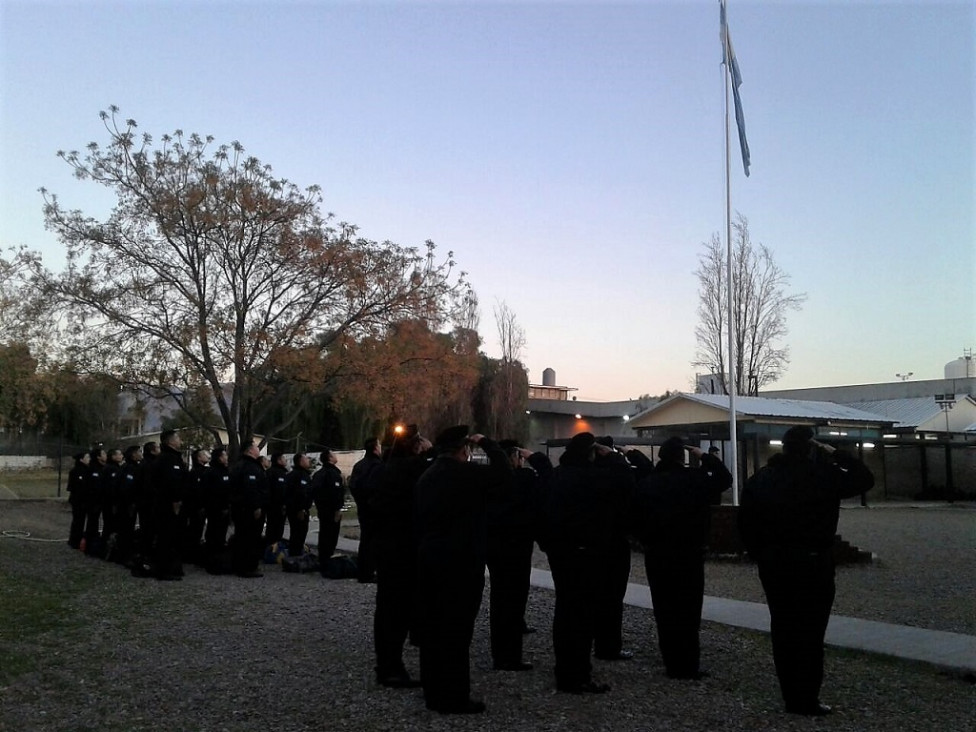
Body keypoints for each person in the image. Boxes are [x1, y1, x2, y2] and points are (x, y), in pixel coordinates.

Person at [739, 425, 874, 716]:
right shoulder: (823, 476)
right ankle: (807, 697)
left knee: (784, 628)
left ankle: (791, 694)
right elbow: (865, 478)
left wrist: (760, 555)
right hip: (813, 560)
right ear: (811, 447)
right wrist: (834, 451)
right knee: (811, 631)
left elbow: (746, 523)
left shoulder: (762, 479)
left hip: (775, 562)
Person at [414, 426, 512, 714]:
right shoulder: (465, 475)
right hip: (460, 561)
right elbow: (504, 475)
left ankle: (433, 691)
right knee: (456, 632)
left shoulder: (427, 477)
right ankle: (454, 695)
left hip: (431, 557)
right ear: (464, 449)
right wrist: (490, 445)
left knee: (434, 630)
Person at [631, 437, 732, 680]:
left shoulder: (648, 483)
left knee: (665, 610)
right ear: (681, 456)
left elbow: (634, 517)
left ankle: (671, 661)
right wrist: (704, 456)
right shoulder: (695, 480)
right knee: (688, 610)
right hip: (689, 552)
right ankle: (688, 663)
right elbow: (725, 479)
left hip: (657, 553)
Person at [543, 431, 634, 694]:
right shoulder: (592, 478)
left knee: (565, 613)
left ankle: (565, 670)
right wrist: (614, 456)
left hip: (561, 555)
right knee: (582, 617)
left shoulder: (558, 476)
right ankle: (578, 675)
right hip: (586, 554)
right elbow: (625, 481)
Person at [367, 424, 431, 689]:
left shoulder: (384, 470)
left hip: (386, 547)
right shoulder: (408, 469)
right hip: (402, 550)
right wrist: (430, 451)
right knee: (395, 610)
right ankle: (390, 667)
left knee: (387, 609)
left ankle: (387, 662)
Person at [486, 439, 551, 672]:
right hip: (518, 548)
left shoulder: (488, 480)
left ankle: (499, 652)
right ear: (514, 457)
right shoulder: (523, 480)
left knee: (499, 601)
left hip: (494, 548)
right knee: (513, 602)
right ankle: (510, 655)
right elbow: (547, 478)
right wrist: (533, 457)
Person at [592, 435, 636, 662]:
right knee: (613, 596)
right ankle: (609, 645)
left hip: (592, 543)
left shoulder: (588, 474)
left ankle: (597, 641)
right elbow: (637, 473)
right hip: (615, 541)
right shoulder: (619, 473)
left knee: (596, 596)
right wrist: (621, 454)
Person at [150, 430, 188, 580]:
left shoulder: (175, 458)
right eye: (177, 438)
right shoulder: (166, 459)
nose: (180, 440)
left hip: (173, 504)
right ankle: (163, 570)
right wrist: (175, 500)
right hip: (167, 505)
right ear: (170, 441)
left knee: (175, 538)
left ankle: (174, 567)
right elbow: (170, 482)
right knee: (166, 538)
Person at [230, 441, 269, 578]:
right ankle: (248, 567)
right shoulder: (249, 467)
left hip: (240, 508)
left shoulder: (241, 465)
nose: (258, 448)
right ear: (249, 451)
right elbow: (250, 488)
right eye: (255, 446)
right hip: (249, 510)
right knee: (250, 539)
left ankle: (240, 565)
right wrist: (256, 506)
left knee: (242, 537)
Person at [349, 437, 383, 582]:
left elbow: (353, 486)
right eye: (379, 445)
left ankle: (363, 570)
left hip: (362, 508)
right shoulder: (376, 466)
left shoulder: (359, 465)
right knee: (373, 541)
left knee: (365, 539)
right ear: (375, 448)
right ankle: (369, 571)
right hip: (373, 509)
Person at [312, 447, 345, 559]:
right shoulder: (333, 474)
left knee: (324, 533)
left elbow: (315, 492)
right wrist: (337, 509)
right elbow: (335, 493)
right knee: (331, 535)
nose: (336, 456)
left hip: (322, 509)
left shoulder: (318, 474)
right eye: (333, 454)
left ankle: (323, 557)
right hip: (331, 510)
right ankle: (328, 558)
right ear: (330, 458)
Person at [203, 447, 232, 562]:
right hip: (215, 509)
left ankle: (220, 556)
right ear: (220, 458)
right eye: (224, 455)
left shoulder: (226, 471)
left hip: (225, 508)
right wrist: (217, 506)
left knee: (222, 532)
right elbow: (209, 492)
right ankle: (211, 556)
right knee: (213, 532)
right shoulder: (211, 472)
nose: (227, 457)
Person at [182, 448, 210, 565]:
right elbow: (195, 492)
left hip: (203, 507)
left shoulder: (207, 471)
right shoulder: (195, 473)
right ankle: (191, 555)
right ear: (198, 458)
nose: (207, 456)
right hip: (196, 508)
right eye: (204, 454)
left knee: (199, 530)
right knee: (195, 530)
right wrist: (199, 506)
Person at [283, 452, 314, 556]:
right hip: (298, 510)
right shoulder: (299, 475)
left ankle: (296, 553)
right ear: (300, 461)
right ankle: (295, 555)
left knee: (298, 532)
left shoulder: (301, 475)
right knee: (298, 533)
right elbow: (299, 493)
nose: (308, 460)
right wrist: (301, 509)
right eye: (306, 459)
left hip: (296, 509)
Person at [66, 452, 91, 549]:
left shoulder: (87, 470)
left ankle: (78, 539)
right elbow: (74, 487)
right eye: (87, 457)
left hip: (84, 500)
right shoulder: (76, 471)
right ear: (81, 459)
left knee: (81, 521)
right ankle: (74, 540)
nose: (89, 459)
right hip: (78, 500)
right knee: (78, 521)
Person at [265, 452, 288, 547]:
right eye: (283, 458)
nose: (285, 460)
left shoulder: (283, 473)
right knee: (274, 529)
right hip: (275, 506)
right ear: (278, 460)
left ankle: (275, 548)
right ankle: (271, 549)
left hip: (277, 507)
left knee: (277, 528)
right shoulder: (274, 473)